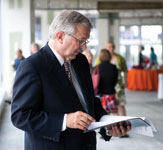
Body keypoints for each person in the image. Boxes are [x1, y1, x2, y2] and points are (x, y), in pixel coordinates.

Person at [11, 10, 130, 150]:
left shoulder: (81, 61)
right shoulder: (32, 66)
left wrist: (107, 124)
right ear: (60, 36)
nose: (84, 47)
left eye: (86, 41)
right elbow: (20, 116)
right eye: (80, 41)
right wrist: (64, 121)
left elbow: (88, 101)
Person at [94, 42, 128, 117]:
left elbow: (125, 70)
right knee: (113, 108)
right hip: (109, 88)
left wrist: (125, 82)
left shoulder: (119, 58)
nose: (111, 48)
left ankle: (123, 120)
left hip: (118, 85)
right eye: (109, 47)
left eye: (112, 47)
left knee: (120, 104)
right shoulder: (99, 61)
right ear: (106, 48)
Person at [97, 49, 118, 115]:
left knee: (104, 114)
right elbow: (115, 80)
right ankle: (117, 124)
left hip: (101, 95)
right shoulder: (114, 67)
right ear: (109, 56)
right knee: (114, 112)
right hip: (111, 93)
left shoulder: (97, 68)